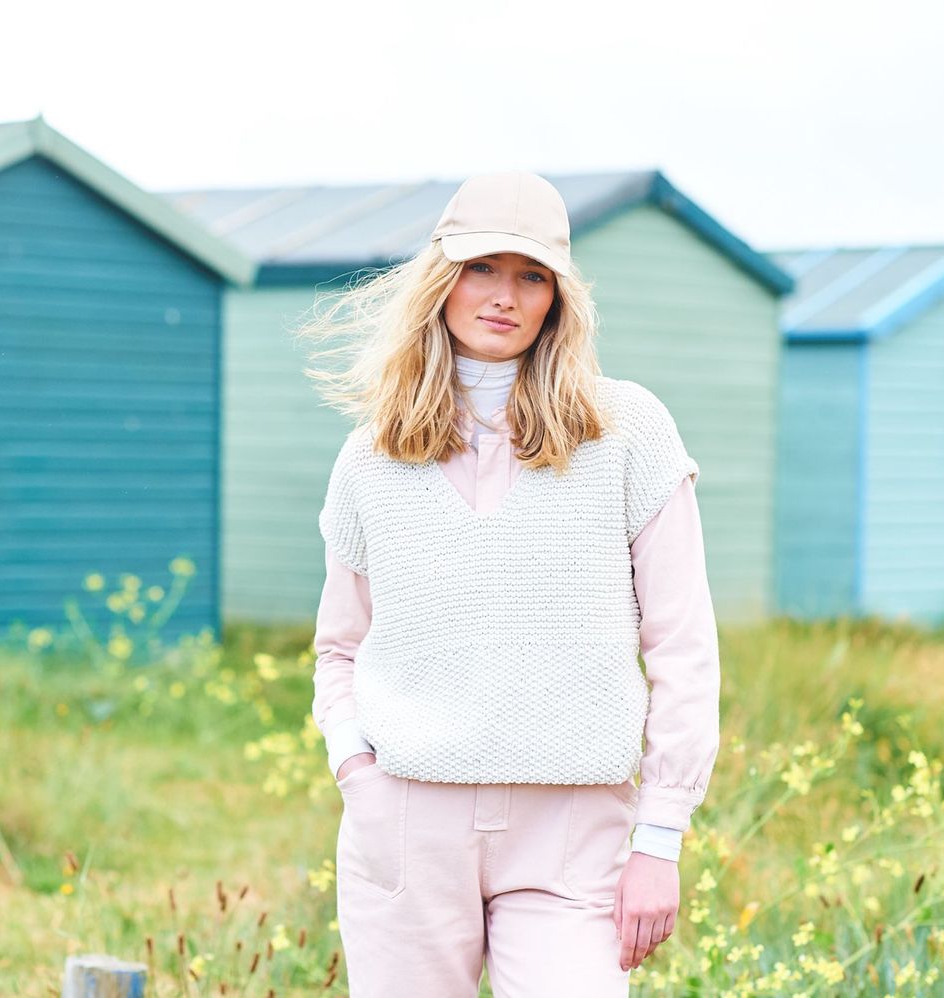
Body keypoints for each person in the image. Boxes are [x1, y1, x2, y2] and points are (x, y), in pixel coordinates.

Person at [298, 171, 721, 997]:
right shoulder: (370, 456)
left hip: (573, 829)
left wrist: (661, 838)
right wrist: (358, 772)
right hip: (405, 823)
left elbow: (682, 643)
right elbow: (338, 648)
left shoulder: (628, 429)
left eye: (533, 276)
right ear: (440, 280)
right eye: (482, 268)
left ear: (560, 299)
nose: (505, 296)